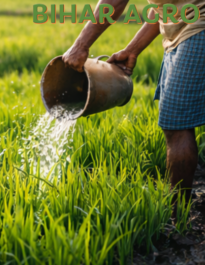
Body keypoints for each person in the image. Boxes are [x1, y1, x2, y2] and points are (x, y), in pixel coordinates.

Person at [62, 0, 204, 207]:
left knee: (177, 126)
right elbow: (165, 9)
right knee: (176, 124)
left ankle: (178, 214)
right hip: (180, 35)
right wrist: (132, 50)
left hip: (198, 29)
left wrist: (80, 45)